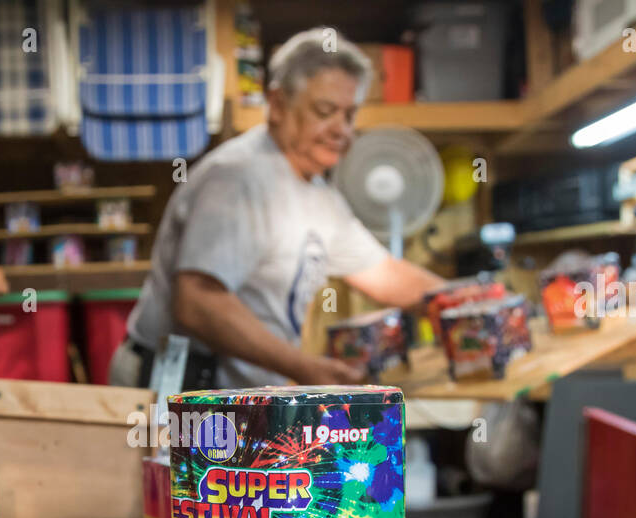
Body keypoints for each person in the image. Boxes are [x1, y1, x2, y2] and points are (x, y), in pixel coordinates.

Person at [108, 26, 445, 391]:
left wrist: (459, 302)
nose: (341, 130)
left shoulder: (318, 195)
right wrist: (305, 369)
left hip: (236, 397)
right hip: (174, 383)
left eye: (349, 115)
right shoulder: (239, 177)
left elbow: (381, 271)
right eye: (325, 111)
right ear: (279, 106)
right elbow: (197, 302)